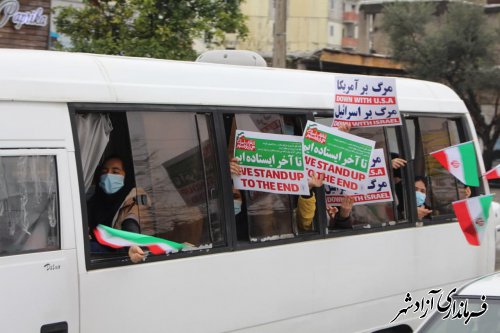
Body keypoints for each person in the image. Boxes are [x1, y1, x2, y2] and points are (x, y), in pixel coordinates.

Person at [87, 156, 147, 263]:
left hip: (120, 256)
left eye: (115, 172)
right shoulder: (93, 200)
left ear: (126, 175)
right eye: (104, 171)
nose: (108, 175)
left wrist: (132, 245)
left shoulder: (134, 197)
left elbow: (132, 219)